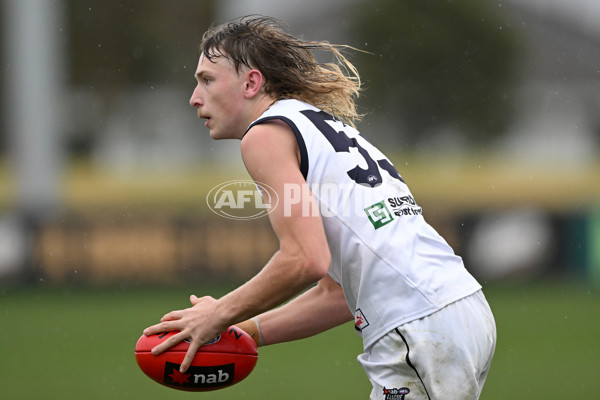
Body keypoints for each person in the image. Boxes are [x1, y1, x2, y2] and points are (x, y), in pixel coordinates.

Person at [143, 16, 496, 399]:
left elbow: (303, 260)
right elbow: (335, 295)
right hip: (459, 309)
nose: (195, 97)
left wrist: (218, 313)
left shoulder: (263, 136)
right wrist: (245, 331)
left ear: (251, 83)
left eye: (207, 79)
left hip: (416, 323)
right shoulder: (316, 125)